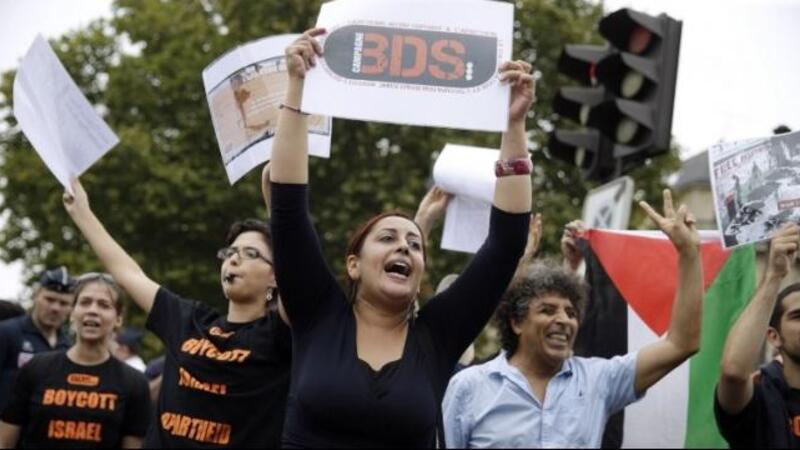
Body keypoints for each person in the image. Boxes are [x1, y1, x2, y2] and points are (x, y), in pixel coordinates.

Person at [268, 28, 533, 447]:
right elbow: (287, 209)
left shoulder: (438, 336)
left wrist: (514, 125)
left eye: (414, 243)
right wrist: (298, 86)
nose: (403, 247)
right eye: (387, 238)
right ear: (353, 265)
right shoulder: (317, 313)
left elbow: (505, 244)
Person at [443, 190, 704, 447]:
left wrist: (689, 254)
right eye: (547, 310)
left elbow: (681, 344)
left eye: (570, 313)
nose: (563, 320)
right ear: (517, 322)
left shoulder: (598, 381)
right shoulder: (469, 387)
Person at [62, 181, 292, 447]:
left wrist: (278, 201)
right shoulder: (189, 319)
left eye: (251, 253)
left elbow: (298, 274)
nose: (233, 259)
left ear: (275, 276)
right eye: (230, 252)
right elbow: (129, 274)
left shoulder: (281, 334)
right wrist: (81, 212)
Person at [0, 273, 150, 448]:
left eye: (104, 305)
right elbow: (5, 440)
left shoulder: (134, 383)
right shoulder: (36, 368)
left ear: (118, 319)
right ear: (72, 313)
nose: (92, 310)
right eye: (85, 302)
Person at [715, 223, 800, 447]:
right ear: (773, 336)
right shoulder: (760, 399)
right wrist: (774, 276)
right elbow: (733, 372)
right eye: (798, 316)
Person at [0, 267, 75, 413]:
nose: (55, 308)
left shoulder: (67, 346)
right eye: (49, 299)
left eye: (63, 303)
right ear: (36, 295)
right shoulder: (7, 333)